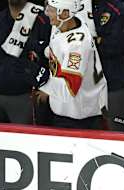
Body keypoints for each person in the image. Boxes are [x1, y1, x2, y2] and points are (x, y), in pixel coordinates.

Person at [33, 0, 108, 129]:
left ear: (65, 13)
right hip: (65, 110)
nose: (47, 14)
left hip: (80, 117)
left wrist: (39, 79)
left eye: (52, 10)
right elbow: (57, 50)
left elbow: (69, 89)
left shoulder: (77, 45)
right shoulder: (64, 26)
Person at [0, 0, 51, 124]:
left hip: (26, 97)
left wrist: (49, 88)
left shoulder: (44, 20)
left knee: (27, 142)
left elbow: (55, 57)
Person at [92, 0, 124, 131]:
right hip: (86, 83)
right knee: (89, 129)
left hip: (113, 79)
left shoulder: (118, 10)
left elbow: (116, 45)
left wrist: (92, 42)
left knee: (116, 127)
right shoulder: (78, 6)